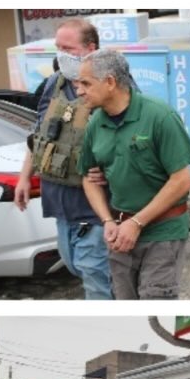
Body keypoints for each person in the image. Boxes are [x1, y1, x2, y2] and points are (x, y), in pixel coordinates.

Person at [76, 48, 190, 300]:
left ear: (110, 82)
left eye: (86, 83)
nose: (79, 91)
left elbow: (183, 180)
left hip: (162, 233)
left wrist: (137, 222)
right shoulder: (94, 123)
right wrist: (108, 221)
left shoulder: (159, 116)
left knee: (155, 304)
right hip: (120, 235)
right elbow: (88, 177)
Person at [15, 19, 113, 300]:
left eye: (67, 47)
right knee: (76, 267)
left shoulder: (111, 85)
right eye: (57, 47)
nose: (60, 54)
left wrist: (115, 171)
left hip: (93, 208)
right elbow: (39, 135)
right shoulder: (52, 85)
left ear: (90, 49)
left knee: (94, 275)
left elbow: (132, 139)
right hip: (59, 202)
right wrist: (25, 177)